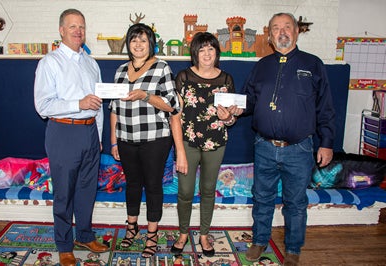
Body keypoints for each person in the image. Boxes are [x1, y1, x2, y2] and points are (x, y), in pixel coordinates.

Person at [242, 13, 335, 266]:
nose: (281, 32)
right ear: (270, 36)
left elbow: (325, 108)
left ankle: (293, 249)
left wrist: (326, 142)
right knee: (262, 198)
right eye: (275, 28)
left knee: (295, 203)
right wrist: (233, 109)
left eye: (286, 27)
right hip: (264, 147)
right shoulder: (261, 66)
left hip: (299, 149)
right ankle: (259, 241)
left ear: (296, 31)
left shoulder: (313, 64)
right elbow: (248, 100)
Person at [34, 8, 108, 266]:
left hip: (89, 133)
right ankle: (64, 244)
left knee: (87, 190)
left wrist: (97, 135)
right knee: (64, 192)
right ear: (61, 30)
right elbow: (43, 106)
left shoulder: (91, 63)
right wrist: (79, 103)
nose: (78, 31)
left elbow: (97, 104)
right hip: (63, 131)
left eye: (82, 27)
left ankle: (85, 235)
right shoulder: (49, 62)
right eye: (73, 26)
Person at [109, 23, 186, 258]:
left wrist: (146, 95)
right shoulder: (120, 70)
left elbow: (172, 105)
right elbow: (114, 109)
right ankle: (131, 227)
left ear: (150, 44)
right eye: (134, 40)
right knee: (132, 184)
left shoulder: (162, 67)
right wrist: (113, 142)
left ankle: (151, 234)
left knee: (152, 186)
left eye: (143, 40)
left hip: (155, 139)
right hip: (125, 139)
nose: (138, 45)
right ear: (128, 44)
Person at [170, 32, 243, 257]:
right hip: (188, 142)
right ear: (195, 53)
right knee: (184, 191)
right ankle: (183, 233)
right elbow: (175, 114)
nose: (207, 53)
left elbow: (231, 119)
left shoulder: (226, 79)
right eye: (202, 49)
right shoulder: (183, 77)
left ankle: (203, 234)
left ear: (216, 52)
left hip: (216, 142)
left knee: (208, 190)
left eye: (211, 49)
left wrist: (229, 117)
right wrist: (179, 150)